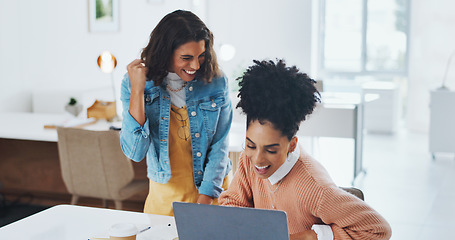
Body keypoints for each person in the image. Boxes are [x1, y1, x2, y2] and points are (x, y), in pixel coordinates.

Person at [219, 59, 392, 240]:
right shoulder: (248, 161)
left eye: (271, 150)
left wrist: (309, 237)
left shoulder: (314, 188)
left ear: (292, 144)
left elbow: (378, 229)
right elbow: (232, 202)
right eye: (250, 145)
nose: (257, 159)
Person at [120, 10, 232, 216]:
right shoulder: (136, 85)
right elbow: (135, 152)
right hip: (164, 202)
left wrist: (204, 201)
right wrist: (137, 90)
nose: (195, 65)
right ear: (164, 52)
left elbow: (220, 145)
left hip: (212, 194)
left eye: (201, 56)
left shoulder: (216, 82)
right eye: (186, 58)